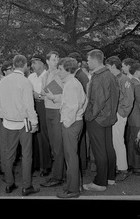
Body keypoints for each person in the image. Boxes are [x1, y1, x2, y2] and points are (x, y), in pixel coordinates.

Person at [0, 54, 40, 196]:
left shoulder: (4, 81)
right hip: (23, 123)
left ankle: (9, 184)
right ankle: (26, 186)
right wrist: (35, 123)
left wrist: (3, 114)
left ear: (13, 65)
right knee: (26, 155)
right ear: (25, 65)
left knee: (8, 155)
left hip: (8, 123)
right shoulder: (25, 82)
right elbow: (29, 107)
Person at [83, 49, 120, 191]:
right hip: (108, 117)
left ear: (93, 60)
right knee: (108, 148)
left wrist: (89, 116)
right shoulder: (110, 75)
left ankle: (100, 183)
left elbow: (97, 101)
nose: (87, 62)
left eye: (88, 60)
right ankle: (110, 178)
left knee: (99, 151)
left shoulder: (99, 77)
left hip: (98, 118)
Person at [56, 57, 87, 198]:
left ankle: (73, 190)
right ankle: (74, 185)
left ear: (68, 70)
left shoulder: (71, 84)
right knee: (72, 156)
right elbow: (84, 100)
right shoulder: (72, 83)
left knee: (71, 157)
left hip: (71, 124)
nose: (58, 72)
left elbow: (73, 107)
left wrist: (67, 123)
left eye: (61, 69)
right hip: (75, 122)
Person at [105, 56, 134, 182]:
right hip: (113, 114)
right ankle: (117, 165)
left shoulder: (124, 79)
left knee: (118, 141)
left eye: (107, 66)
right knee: (114, 141)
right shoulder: (114, 78)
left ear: (112, 66)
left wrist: (122, 114)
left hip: (118, 114)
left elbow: (129, 99)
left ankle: (123, 169)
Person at [40, 50, 65, 188]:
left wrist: (46, 92)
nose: (56, 61)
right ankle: (58, 173)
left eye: (57, 58)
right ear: (47, 61)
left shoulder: (59, 74)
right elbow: (44, 93)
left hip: (56, 111)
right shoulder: (46, 74)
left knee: (57, 145)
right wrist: (46, 92)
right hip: (48, 109)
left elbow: (58, 93)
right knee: (53, 145)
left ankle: (58, 176)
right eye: (54, 59)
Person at [28, 54, 52, 177]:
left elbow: (54, 95)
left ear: (42, 63)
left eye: (35, 63)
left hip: (44, 106)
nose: (32, 65)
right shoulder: (31, 76)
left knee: (43, 136)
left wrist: (37, 95)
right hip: (32, 106)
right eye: (32, 63)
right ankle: (36, 163)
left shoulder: (49, 76)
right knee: (33, 135)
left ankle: (46, 165)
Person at [68, 52, 89, 173]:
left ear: (79, 64)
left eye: (73, 61)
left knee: (79, 141)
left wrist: (82, 112)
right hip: (75, 113)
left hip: (78, 114)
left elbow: (86, 96)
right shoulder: (75, 75)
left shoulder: (81, 76)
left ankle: (82, 165)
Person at [0, 59, 14, 177]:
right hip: (4, 116)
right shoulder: (3, 83)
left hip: (10, 116)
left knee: (9, 144)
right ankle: (5, 169)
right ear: (4, 71)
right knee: (5, 144)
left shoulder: (10, 81)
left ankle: (8, 168)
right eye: (10, 69)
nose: (13, 71)